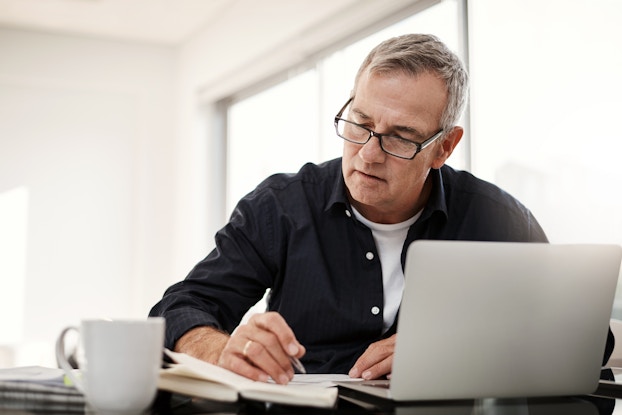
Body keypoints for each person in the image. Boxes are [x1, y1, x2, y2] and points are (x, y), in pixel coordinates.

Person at [150, 33, 611, 386]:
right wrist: (221, 349)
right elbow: (178, 308)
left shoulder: (498, 219)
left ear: (443, 148)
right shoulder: (281, 207)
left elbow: (583, 338)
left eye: (400, 137)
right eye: (361, 124)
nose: (368, 154)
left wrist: (458, 351)